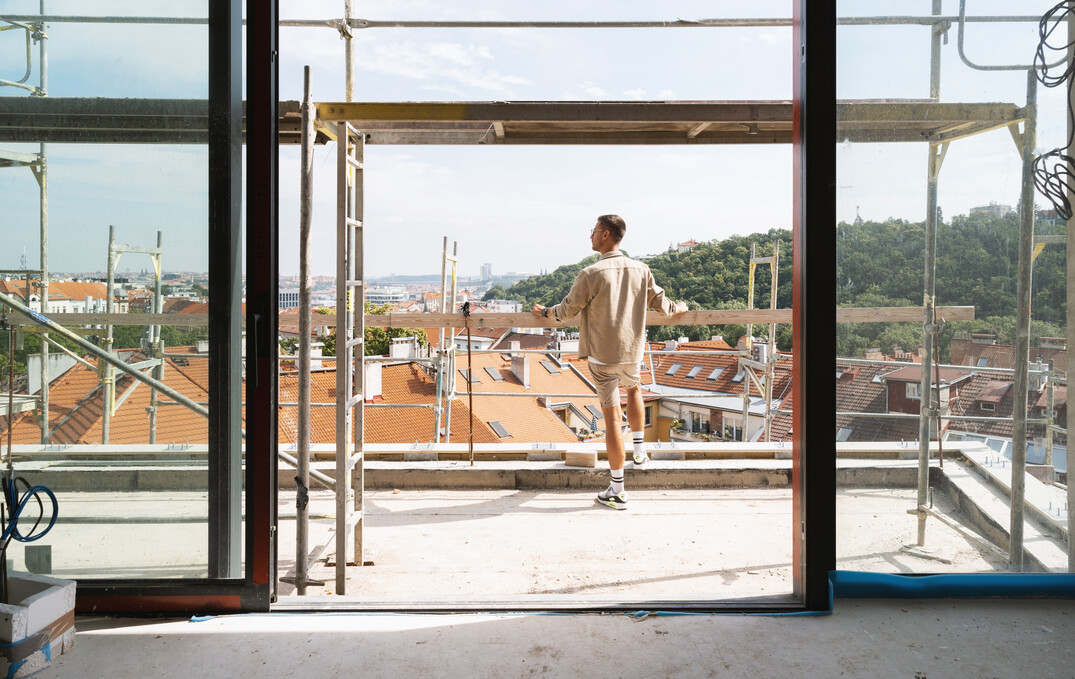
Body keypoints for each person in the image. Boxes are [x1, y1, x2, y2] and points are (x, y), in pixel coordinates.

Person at [532, 214, 687, 510]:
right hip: (632, 351)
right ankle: (639, 452)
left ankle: (617, 489)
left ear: (605, 235)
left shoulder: (591, 273)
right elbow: (662, 304)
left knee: (612, 417)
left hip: (603, 356)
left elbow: (566, 311)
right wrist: (678, 308)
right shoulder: (642, 269)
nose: (589, 236)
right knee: (635, 390)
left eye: (593, 231)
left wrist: (544, 313)